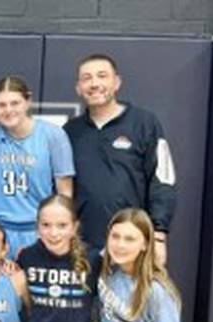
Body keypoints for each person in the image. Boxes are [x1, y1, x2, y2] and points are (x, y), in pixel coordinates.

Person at [64, 54, 176, 265]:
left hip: (130, 243)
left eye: (102, 76)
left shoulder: (145, 123)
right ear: (78, 88)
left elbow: (162, 180)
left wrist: (159, 235)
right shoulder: (70, 131)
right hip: (83, 246)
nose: (94, 83)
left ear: (116, 82)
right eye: (87, 78)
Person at [0, 76, 75, 259]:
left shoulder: (53, 136)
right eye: (1, 105)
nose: (9, 110)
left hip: (36, 231)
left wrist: (55, 232)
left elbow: (64, 192)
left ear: (28, 102)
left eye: (15, 103)